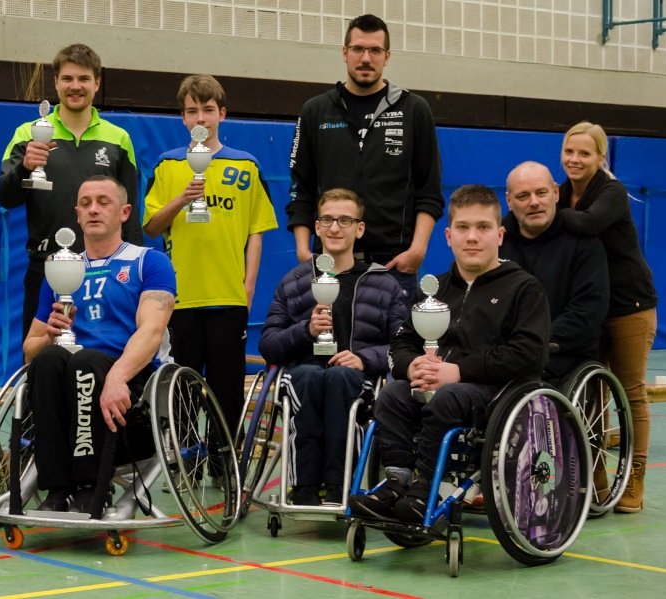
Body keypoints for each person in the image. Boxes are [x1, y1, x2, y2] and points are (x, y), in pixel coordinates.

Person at [348, 185, 550, 523]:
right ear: (448, 236)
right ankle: (397, 481)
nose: (472, 237)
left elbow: (528, 354)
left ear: (499, 235)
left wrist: (457, 371)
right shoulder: (435, 289)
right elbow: (400, 344)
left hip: (493, 393)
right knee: (395, 395)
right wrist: (412, 365)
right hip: (440, 386)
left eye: (483, 228)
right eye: (463, 228)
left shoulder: (523, 288)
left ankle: (426, 487)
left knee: (447, 398)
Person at [23, 175, 175, 512]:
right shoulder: (60, 269)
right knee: (48, 360)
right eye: (86, 204)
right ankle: (57, 490)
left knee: (85, 362)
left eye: (103, 202)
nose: (93, 210)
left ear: (124, 212)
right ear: (76, 213)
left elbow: (151, 332)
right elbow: (29, 350)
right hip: (70, 376)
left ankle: (92, 485)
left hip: (130, 382)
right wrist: (49, 333)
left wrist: (118, 377)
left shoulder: (148, 262)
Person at [143, 74, 277, 435]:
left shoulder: (245, 166)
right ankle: (186, 457)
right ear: (183, 118)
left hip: (228, 297)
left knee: (227, 388)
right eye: (191, 111)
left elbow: (256, 233)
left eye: (207, 110)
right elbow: (152, 227)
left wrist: (248, 288)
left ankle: (223, 462)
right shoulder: (167, 165)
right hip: (181, 297)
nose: (200, 118)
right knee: (181, 384)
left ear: (222, 114)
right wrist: (182, 199)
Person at [259, 188, 407, 506]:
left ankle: (342, 486)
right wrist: (305, 330)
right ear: (316, 226)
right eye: (327, 219)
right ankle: (304, 488)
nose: (335, 227)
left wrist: (365, 358)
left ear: (359, 228)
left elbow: (403, 346)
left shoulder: (384, 284)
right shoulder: (294, 281)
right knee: (310, 378)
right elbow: (269, 344)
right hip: (302, 375)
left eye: (344, 219)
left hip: (358, 380)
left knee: (340, 378)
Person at [286, 13, 443, 298]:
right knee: (328, 342)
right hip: (330, 262)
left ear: (387, 56)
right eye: (358, 49)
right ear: (345, 53)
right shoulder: (316, 110)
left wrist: (417, 250)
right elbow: (301, 187)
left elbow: (429, 190)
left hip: (395, 264)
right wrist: (303, 250)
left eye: (375, 50)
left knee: (396, 344)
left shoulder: (413, 109)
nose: (366, 58)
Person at [0, 43, 142, 338]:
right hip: (46, 269)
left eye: (83, 79)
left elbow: (130, 216)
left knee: (102, 357)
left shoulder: (119, 139)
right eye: (67, 79)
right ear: (56, 83)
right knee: (41, 360)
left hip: (105, 271)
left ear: (97, 83)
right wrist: (25, 167)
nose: (75, 86)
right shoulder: (29, 133)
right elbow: (6, 196)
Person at [555, 122, 657, 513]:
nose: (575, 159)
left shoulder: (611, 192)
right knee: (592, 398)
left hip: (630, 306)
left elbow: (589, 223)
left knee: (631, 394)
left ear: (601, 158)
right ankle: (597, 485)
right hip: (590, 308)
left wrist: (550, 212)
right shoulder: (562, 192)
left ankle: (635, 482)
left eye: (584, 153)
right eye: (569, 152)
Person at [500, 161, 609, 384]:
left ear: (556, 193)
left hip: (562, 360)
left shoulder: (585, 245)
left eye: (541, 193)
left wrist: (530, 343)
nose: (534, 202)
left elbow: (586, 313)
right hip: (502, 358)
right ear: (509, 201)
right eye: (523, 196)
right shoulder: (495, 243)